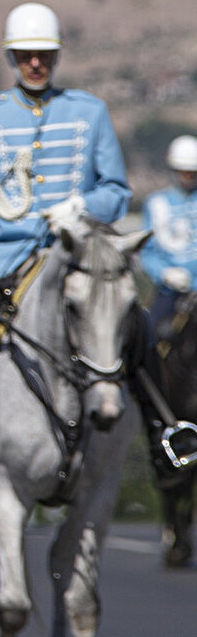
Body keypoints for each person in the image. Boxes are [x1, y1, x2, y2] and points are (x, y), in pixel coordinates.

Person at [0, 1, 184, 483]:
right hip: (5, 264)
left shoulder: (88, 112)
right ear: (11, 57)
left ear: (57, 56)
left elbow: (116, 193)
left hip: (76, 258)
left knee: (137, 325)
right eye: (25, 55)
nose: (35, 63)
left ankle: (167, 431)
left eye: (44, 55)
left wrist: (81, 206)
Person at [134, 135, 197, 473]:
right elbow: (147, 251)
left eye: (193, 172)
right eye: (184, 171)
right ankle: (154, 414)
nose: (188, 177)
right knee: (149, 338)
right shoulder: (157, 203)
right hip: (171, 292)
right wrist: (165, 273)